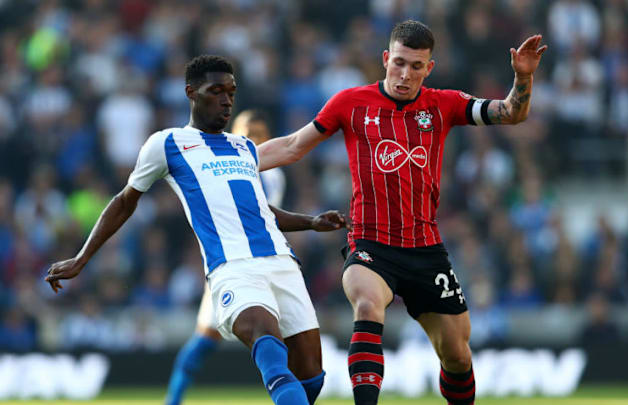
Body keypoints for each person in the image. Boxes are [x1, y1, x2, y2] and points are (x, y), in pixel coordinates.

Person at [258, 20, 547, 405]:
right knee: (366, 303)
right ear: (385, 59)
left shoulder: (444, 104)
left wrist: (522, 79)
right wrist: (230, 164)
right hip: (370, 244)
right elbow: (294, 145)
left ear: (429, 68)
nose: (405, 74)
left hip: (426, 250)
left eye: (415, 66)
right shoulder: (350, 103)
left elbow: (511, 113)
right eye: (398, 63)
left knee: (457, 354)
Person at [45, 55, 349, 405]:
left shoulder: (244, 147)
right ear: (191, 92)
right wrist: (82, 258)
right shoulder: (167, 144)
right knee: (269, 347)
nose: (226, 99)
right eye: (216, 90)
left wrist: (310, 222)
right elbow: (124, 202)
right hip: (232, 269)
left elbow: (259, 210)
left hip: (282, 263)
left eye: (231, 92)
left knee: (311, 376)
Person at [165, 109, 290, 405]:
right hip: (228, 264)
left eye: (259, 134)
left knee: (280, 341)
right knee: (206, 338)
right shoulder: (217, 163)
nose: (253, 139)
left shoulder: (272, 175)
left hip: (265, 263)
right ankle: (172, 400)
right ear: (233, 135)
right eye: (247, 133)